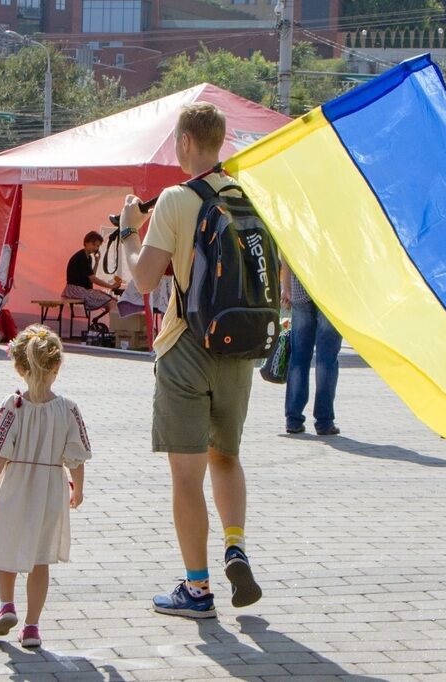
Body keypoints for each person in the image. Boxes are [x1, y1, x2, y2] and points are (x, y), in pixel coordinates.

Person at [118, 102, 261, 619]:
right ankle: (237, 544)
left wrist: (129, 230)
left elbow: (145, 279)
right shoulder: (245, 195)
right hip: (238, 347)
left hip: (185, 346)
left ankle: (197, 589)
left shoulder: (176, 201)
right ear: (219, 141)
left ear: (183, 142)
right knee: (227, 455)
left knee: (186, 474)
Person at [0, 325, 90, 649]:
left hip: (17, 485)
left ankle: (6, 605)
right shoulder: (68, 408)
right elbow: (77, 455)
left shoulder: (13, 405)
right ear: (57, 366)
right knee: (40, 559)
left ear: (19, 367)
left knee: (6, 548)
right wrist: (78, 489)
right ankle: (31, 626)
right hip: (51, 488)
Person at [280, 264, 343, 436]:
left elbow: (286, 253)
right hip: (331, 293)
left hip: (301, 290)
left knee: (299, 357)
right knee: (327, 359)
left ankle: (293, 419)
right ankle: (324, 422)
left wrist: (286, 287)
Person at [61, 231, 120, 316]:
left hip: (83, 290)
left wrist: (96, 262)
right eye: (94, 244)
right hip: (75, 290)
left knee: (112, 300)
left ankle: (110, 325)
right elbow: (92, 278)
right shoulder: (81, 257)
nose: (96, 248)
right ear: (86, 242)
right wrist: (111, 286)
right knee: (111, 302)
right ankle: (115, 327)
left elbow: (91, 277)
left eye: (98, 246)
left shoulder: (88, 257)